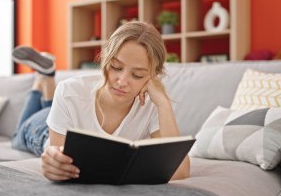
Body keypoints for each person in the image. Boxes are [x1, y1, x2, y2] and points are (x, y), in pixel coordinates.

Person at [40, 21, 190, 182]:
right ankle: (41, 83)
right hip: (40, 132)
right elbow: (59, 161)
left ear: (153, 75)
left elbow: (180, 170)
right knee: (33, 125)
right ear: (106, 58)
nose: (122, 82)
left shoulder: (153, 105)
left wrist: (163, 103)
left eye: (137, 75)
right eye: (116, 67)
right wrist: (53, 162)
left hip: (59, 117)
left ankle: (44, 84)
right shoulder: (69, 92)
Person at [11, 46, 57, 156]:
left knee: (52, 111)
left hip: (54, 116)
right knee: (17, 138)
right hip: (47, 124)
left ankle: (44, 76)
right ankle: (43, 76)